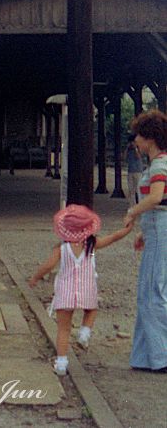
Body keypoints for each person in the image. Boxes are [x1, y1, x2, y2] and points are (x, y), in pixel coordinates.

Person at [28, 204, 133, 376]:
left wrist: (35, 278)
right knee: (91, 310)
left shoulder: (61, 249)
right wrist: (128, 229)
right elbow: (113, 237)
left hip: (65, 291)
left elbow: (47, 266)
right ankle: (84, 332)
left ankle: (61, 363)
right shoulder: (91, 245)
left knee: (63, 329)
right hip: (86, 288)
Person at [123, 110, 167, 371]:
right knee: (147, 291)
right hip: (156, 230)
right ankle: (145, 356)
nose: (136, 140)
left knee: (153, 292)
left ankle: (162, 356)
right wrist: (144, 230)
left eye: (138, 135)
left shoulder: (160, 165)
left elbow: (156, 197)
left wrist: (132, 213)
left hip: (160, 230)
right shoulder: (159, 163)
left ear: (149, 138)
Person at [125, 137, 145, 207]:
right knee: (131, 189)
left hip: (138, 171)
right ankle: (132, 205)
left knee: (138, 189)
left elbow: (138, 157)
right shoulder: (129, 150)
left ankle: (140, 204)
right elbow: (124, 157)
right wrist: (127, 148)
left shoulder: (139, 149)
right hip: (130, 171)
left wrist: (136, 148)